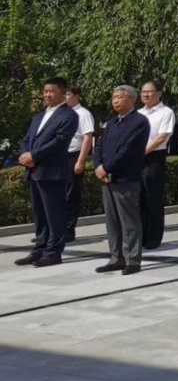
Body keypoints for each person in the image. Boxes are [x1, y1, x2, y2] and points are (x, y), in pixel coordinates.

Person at [15, 77, 80, 268]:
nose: (47, 95)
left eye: (52, 91)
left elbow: (59, 142)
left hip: (52, 172)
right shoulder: (38, 117)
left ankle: (53, 252)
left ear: (62, 92)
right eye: (45, 91)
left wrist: (34, 155)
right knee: (40, 214)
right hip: (34, 171)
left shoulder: (69, 115)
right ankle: (39, 249)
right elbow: (27, 139)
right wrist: (25, 154)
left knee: (54, 214)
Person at [93, 85, 149, 274]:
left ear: (131, 99)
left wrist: (107, 167)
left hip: (125, 178)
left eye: (119, 97)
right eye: (114, 97)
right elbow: (99, 146)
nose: (115, 101)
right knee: (112, 221)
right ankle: (116, 257)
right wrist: (98, 166)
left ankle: (132, 259)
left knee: (129, 221)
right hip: (107, 178)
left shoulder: (139, 122)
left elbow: (128, 150)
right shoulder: (111, 123)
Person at [138, 81, 176, 249]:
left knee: (152, 198)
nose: (146, 94)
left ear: (159, 93)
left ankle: (154, 237)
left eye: (150, 91)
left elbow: (162, 137)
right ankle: (141, 235)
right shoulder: (138, 113)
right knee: (139, 198)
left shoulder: (166, 112)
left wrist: (143, 152)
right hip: (137, 159)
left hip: (154, 157)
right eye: (143, 91)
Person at [65, 85, 96, 242]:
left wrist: (81, 161)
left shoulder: (83, 114)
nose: (65, 97)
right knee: (57, 195)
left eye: (67, 94)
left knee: (71, 195)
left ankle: (68, 231)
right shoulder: (61, 113)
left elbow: (87, 137)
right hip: (58, 157)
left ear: (76, 96)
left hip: (74, 156)